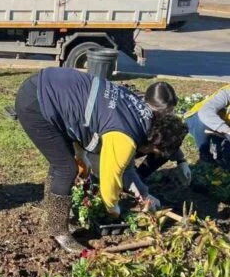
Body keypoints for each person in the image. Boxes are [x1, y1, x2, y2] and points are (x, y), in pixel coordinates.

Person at [15, 68, 188, 253]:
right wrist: (114, 211)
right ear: (154, 143)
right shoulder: (125, 138)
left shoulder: (140, 113)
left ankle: (53, 215)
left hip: (51, 85)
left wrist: (144, 194)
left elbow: (126, 167)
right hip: (38, 102)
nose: (146, 154)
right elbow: (109, 183)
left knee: (62, 163)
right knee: (66, 168)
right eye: (152, 152)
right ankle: (58, 230)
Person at [83, 81, 191, 207]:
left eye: (170, 112)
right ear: (147, 103)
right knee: (111, 174)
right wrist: (143, 194)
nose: (166, 116)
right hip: (100, 144)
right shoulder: (131, 123)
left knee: (164, 147)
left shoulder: (156, 114)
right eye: (164, 112)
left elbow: (168, 139)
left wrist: (181, 160)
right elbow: (125, 158)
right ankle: (101, 183)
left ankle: (135, 180)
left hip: (138, 140)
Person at [183, 84, 230, 165]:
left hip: (221, 129)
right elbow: (205, 112)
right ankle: (205, 154)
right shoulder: (227, 92)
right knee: (202, 120)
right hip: (197, 119)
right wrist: (227, 131)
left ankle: (217, 146)